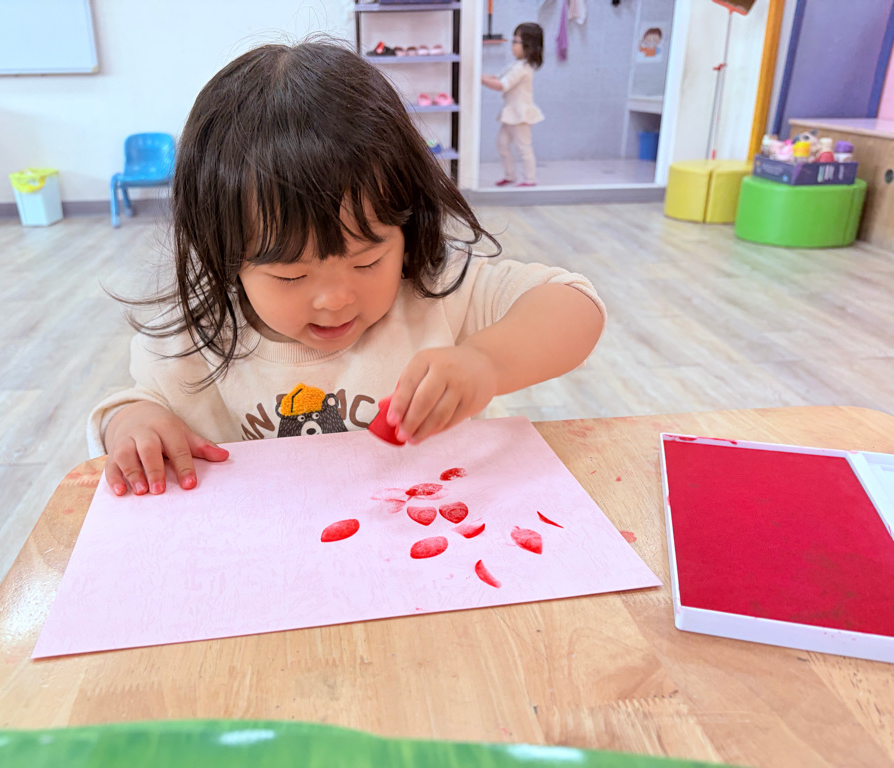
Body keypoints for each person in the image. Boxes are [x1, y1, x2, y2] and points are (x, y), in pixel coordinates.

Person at [90, 40, 604, 497]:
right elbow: (132, 407)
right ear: (224, 254)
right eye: (291, 276)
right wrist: (135, 425)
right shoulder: (194, 339)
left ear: (407, 227)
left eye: (368, 260)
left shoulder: (434, 291)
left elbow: (574, 305)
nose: (335, 299)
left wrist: (486, 363)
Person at [482, 23, 545, 187]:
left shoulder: (523, 68)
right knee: (502, 144)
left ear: (528, 46)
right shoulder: (516, 65)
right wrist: (478, 75)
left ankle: (530, 179)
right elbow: (497, 77)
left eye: (516, 41)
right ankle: (510, 175)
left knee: (524, 147)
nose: (512, 45)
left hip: (520, 115)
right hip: (511, 114)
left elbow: (502, 85)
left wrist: (479, 78)